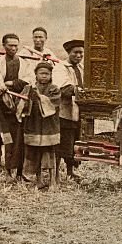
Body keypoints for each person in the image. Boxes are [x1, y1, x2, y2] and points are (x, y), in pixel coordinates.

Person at [0, 33, 35, 181]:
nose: (14, 48)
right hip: (3, 105)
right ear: (4, 46)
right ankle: (7, 171)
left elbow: (28, 80)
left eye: (16, 45)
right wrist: (7, 86)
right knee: (6, 138)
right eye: (10, 45)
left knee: (20, 139)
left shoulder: (24, 62)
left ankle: (20, 172)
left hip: (20, 104)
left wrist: (11, 83)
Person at [21, 62, 62, 190]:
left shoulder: (54, 89)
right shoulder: (29, 88)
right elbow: (21, 104)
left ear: (51, 75)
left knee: (49, 153)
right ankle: (39, 180)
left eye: (47, 74)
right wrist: (25, 100)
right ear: (36, 75)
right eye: (41, 73)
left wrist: (40, 97)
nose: (44, 76)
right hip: (33, 125)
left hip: (48, 126)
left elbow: (53, 103)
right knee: (35, 153)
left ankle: (52, 181)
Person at [53, 39, 84, 181]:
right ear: (69, 53)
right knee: (62, 144)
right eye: (75, 53)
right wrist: (81, 90)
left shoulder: (82, 68)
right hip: (65, 112)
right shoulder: (61, 67)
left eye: (81, 53)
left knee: (74, 143)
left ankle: (70, 172)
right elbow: (64, 89)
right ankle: (56, 174)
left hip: (78, 111)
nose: (78, 56)